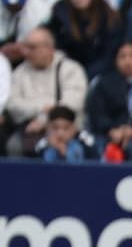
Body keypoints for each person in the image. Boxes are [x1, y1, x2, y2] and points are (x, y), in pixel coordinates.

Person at [3, 27, 87, 157]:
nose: (25, 53)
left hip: (67, 130)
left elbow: (73, 103)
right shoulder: (19, 72)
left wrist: (44, 120)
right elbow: (12, 105)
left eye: (32, 48)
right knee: (13, 145)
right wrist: (42, 108)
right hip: (29, 130)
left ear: (48, 48)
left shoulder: (70, 69)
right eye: (25, 47)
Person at [47, 0, 123, 82]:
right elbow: (58, 48)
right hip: (69, 72)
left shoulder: (108, 17)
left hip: (100, 73)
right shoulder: (60, 17)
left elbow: (109, 55)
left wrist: (86, 74)